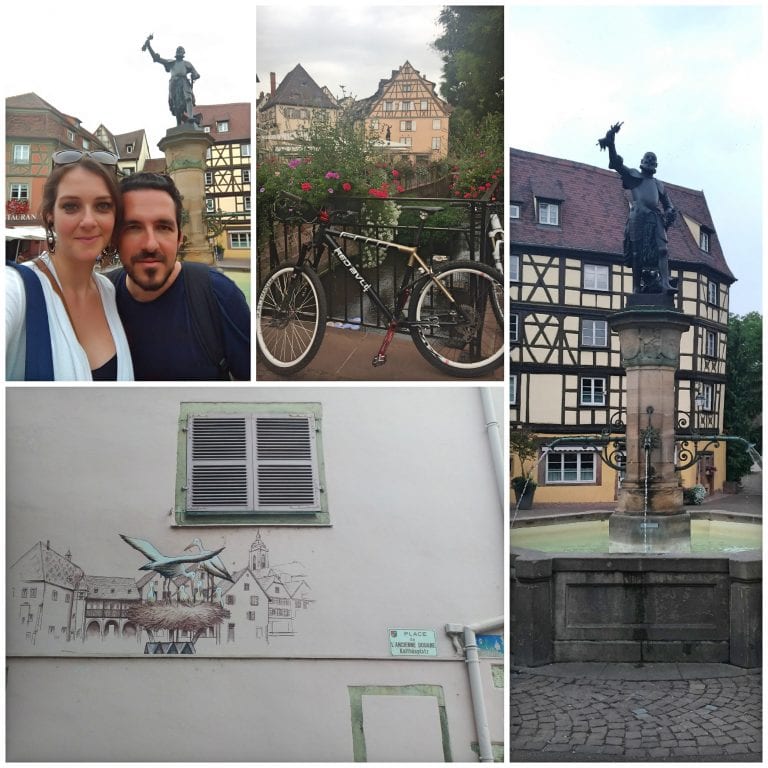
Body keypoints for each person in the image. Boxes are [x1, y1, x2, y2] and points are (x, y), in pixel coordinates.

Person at [6, 150, 134, 381]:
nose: (88, 221)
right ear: (50, 215)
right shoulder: (15, 289)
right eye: (71, 206)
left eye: (103, 206)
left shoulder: (107, 290)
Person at [110, 172, 251, 380]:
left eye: (163, 227)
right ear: (115, 238)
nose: (150, 244)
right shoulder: (100, 298)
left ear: (179, 239)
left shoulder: (218, 294)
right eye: (133, 228)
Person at [598, 122, 678, 294]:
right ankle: (636, 287)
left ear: (655, 165)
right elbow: (616, 164)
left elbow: (668, 203)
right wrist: (611, 143)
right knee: (636, 254)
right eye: (647, 160)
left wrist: (670, 210)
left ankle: (665, 283)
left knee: (663, 249)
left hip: (655, 218)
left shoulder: (658, 184)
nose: (649, 162)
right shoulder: (635, 176)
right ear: (642, 162)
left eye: (652, 160)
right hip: (638, 217)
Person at [143, 36, 200, 126]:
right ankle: (178, 122)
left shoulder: (187, 64)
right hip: (174, 83)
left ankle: (190, 117)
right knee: (175, 103)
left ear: (183, 54)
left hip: (184, 82)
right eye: (179, 52)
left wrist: (195, 76)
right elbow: (156, 59)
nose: (180, 54)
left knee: (188, 97)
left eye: (181, 52)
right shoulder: (171, 62)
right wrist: (149, 46)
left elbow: (196, 74)